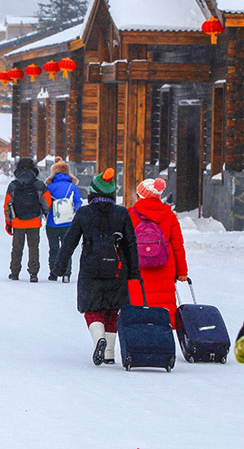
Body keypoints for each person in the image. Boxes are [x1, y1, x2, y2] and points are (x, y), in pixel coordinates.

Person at [53, 168, 140, 366]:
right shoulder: (122, 213)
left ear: (93, 192)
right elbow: (131, 244)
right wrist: (134, 272)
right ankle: (109, 353)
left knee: (92, 308)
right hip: (117, 269)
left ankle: (99, 338)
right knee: (112, 309)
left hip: (91, 268)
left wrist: (59, 267)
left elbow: (69, 241)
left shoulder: (84, 213)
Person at [126, 177, 188, 328]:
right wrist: (182, 272)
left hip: (137, 269)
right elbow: (178, 246)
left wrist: (120, 268)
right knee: (163, 307)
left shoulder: (130, 215)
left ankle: (141, 336)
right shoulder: (169, 216)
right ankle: (163, 336)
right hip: (164, 268)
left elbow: (123, 245)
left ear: (141, 195)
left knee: (139, 305)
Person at [4, 157, 52, 282]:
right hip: (34, 222)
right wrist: (43, 213)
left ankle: (14, 273)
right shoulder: (39, 184)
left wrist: (8, 222)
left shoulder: (13, 185)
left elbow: (7, 205)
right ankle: (33, 274)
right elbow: (47, 203)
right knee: (33, 248)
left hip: (18, 222)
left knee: (17, 248)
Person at [44, 156, 82, 282]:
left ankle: (53, 273)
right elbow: (78, 203)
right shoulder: (72, 187)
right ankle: (66, 274)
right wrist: (73, 213)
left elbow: (45, 204)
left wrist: (45, 215)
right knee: (66, 249)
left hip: (52, 223)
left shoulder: (49, 188)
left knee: (53, 249)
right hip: (68, 223)